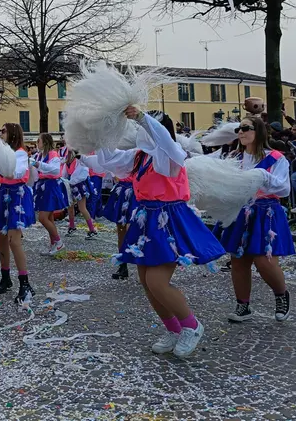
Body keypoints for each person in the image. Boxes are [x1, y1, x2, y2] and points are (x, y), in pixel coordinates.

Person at [94, 107, 225, 358]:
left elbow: (163, 141)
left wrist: (143, 118)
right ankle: (173, 329)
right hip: (146, 219)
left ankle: (192, 326)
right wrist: (101, 131)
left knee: (157, 281)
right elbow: (107, 160)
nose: (140, 129)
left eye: (146, 125)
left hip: (169, 219)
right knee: (146, 282)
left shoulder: (171, 154)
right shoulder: (139, 156)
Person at [220, 116, 294, 322]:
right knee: (239, 260)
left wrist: (262, 176)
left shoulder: (276, 158)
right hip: (240, 211)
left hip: (266, 212)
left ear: (259, 131)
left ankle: (281, 295)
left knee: (265, 261)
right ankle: (243, 305)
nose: (241, 132)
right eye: (238, 128)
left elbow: (284, 188)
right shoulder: (234, 157)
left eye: (246, 128)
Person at [0, 123, 37, 303]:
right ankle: (5, 277)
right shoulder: (3, 154)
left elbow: (16, 173)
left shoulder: (21, 153)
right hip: (4, 194)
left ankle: (25, 283)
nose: (0, 133)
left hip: (17, 196)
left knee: (14, 241)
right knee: (1, 238)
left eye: (3, 131)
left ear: (12, 134)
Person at [31, 133, 67, 255]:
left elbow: (55, 169)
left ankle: (58, 241)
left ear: (45, 142)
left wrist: (36, 164)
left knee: (42, 218)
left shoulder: (52, 154)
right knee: (49, 217)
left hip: (50, 187)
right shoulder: (40, 155)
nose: (37, 143)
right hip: (43, 186)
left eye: (38, 140)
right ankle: (53, 244)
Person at [64, 150, 99, 239]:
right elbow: (65, 171)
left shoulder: (80, 158)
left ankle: (92, 230)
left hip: (79, 184)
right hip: (70, 184)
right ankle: (71, 226)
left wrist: (72, 181)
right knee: (70, 206)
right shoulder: (67, 157)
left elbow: (84, 172)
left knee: (82, 208)